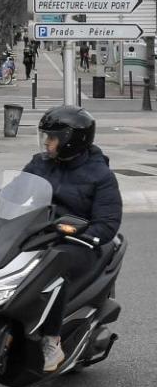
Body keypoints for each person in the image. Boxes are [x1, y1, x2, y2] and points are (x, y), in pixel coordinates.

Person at [21, 106, 122, 372]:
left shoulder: (100, 176)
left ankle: (51, 341)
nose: (46, 142)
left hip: (78, 243)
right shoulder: (39, 163)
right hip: (40, 235)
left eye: (52, 137)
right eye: (45, 136)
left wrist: (82, 235)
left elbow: (108, 223)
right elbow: (16, 194)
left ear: (70, 140)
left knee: (55, 268)